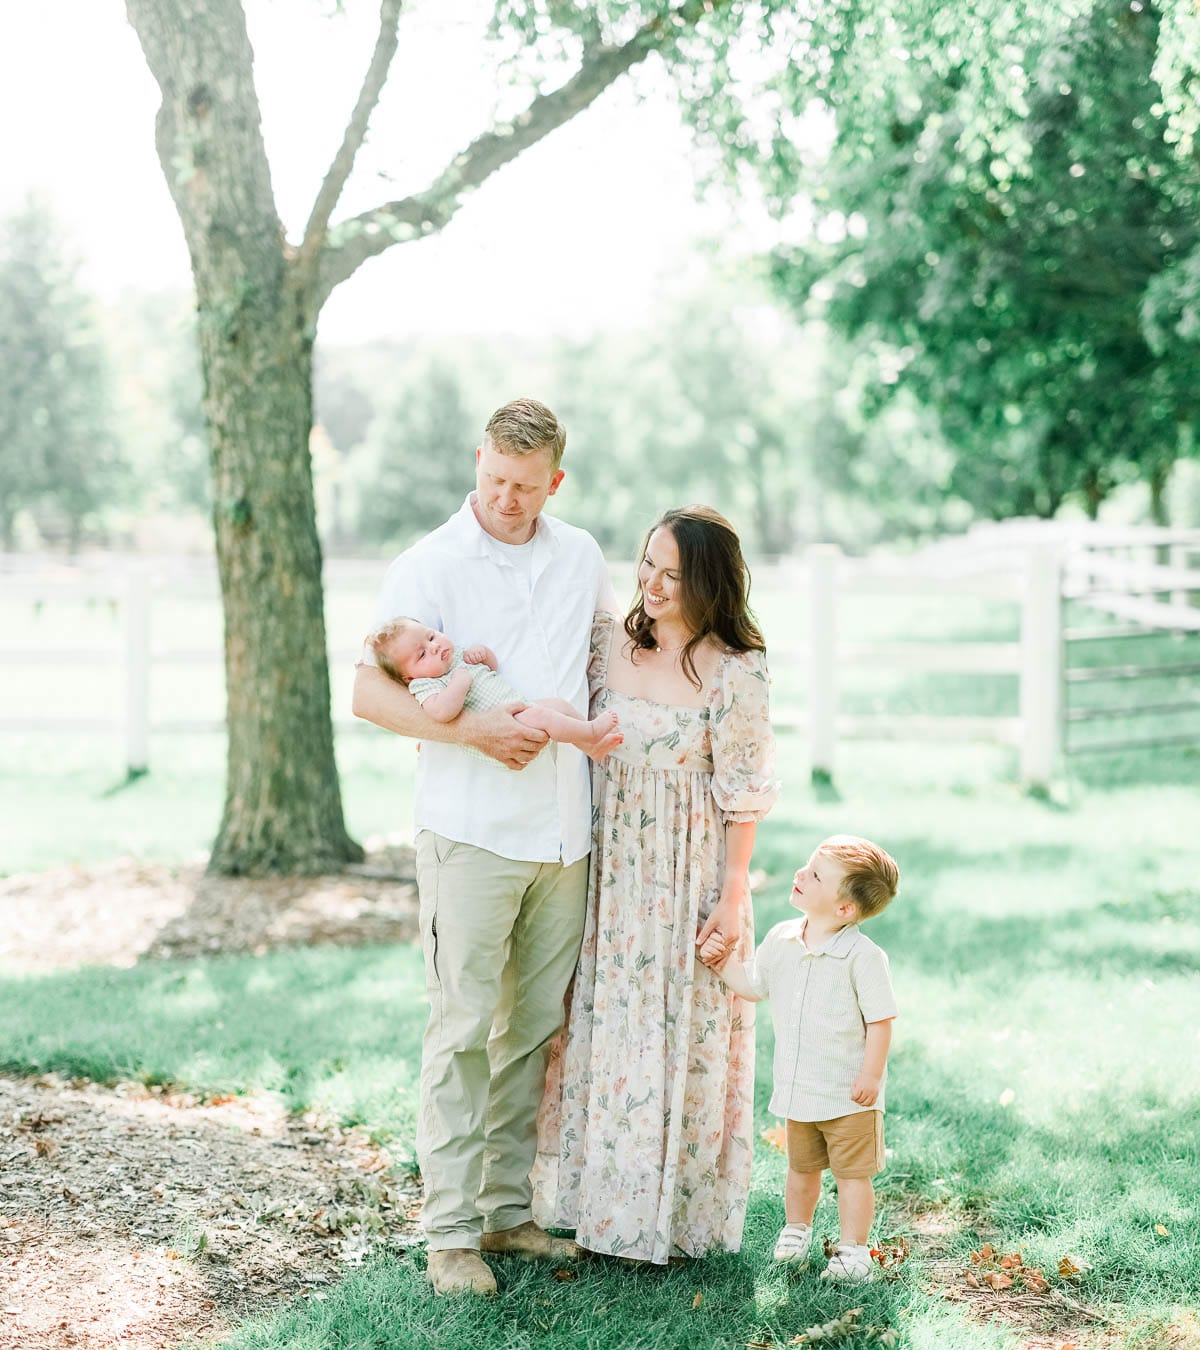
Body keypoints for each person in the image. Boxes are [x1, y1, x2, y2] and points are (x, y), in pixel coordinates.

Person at [352, 398, 618, 1297]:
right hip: (469, 836)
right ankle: (449, 1234)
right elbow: (367, 694)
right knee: (462, 1029)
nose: (508, 498)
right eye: (495, 479)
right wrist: (473, 734)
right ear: (477, 462)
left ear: (556, 480)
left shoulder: (579, 555)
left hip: (563, 835)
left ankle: (507, 1214)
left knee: (531, 1031)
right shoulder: (427, 564)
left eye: (526, 485)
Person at [533, 505, 779, 1264]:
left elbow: (745, 791)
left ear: (709, 581)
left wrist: (733, 895)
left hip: (688, 870)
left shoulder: (735, 669)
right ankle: (595, 1204)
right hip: (607, 865)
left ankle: (673, 1215)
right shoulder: (609, 644)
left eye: (673, 573)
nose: (653, 583)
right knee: (602, 1024)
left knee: (682, 1032)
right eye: (647, 564)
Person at [699, 835, 899, 1282]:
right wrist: (723, 963)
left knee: (852, 1175)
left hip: (849, 1092)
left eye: (814, 875)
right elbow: (753, 986)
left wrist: (871, 1073)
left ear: (845, 909)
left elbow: (881, 1021)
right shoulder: (783, 938)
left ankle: (853, 1251)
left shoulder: (863, 958)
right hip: (799, 1087)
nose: (799, 875)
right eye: (806, 867)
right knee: (801, 1168)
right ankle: (796, 1230)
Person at [364, 616, 623, 760]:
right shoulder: (425, 685)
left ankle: (587, 743)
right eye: (421, 655)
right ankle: (589, 731)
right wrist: (459, 683)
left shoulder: (455, 656)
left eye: (431, 636)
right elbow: (442, 712)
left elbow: (492, 668)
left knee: (557, 705)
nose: (433, 647)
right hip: (504, 722)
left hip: (517, 705)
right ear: (408, 677)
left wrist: (483, 655)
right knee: (546, 715)